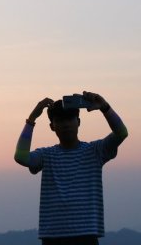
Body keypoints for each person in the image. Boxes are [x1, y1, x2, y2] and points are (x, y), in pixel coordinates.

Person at [14, 92, 128, 245]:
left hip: (86, 235)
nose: (66, 124)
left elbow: (121, 133)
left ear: (78, 121)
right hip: (53, 237)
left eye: (70, 119)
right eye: (60, 120)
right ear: (52, 126)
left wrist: (104, 107)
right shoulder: (46, 155)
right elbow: (21, 157)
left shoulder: (95, 151)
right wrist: (32, 118)